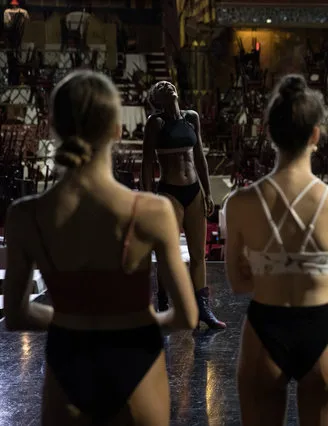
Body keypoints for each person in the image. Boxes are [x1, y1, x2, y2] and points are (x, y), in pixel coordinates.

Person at [3, 70, 198, 425]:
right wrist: (134, 322)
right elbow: (186, 316)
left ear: (54, 126)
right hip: (136, 362)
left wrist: (73, 320)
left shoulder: (25, 216)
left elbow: (16, 316)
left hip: (68, 363)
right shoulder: (153, 212)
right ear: (117, 130)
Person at [224, 74, 328, 426]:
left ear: (268, 132)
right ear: (316, 134)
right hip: (322, 329)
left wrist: (271, 272)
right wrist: (318, 277)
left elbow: (238, 285)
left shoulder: (239, 203)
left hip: (264, 329)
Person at [142, 81, 226, 330]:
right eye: (160, 87)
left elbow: (199, 156)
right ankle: (164, 305)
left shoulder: (192, 118)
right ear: (156, 99)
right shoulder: (155, 123)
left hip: (194, 192)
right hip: (169, 194)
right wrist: (147, 200)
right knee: (168, 256)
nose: (166, 85)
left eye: (168, 84)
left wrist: (208, 192)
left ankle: (203, 310)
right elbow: (147, 164)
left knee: (198, 255)